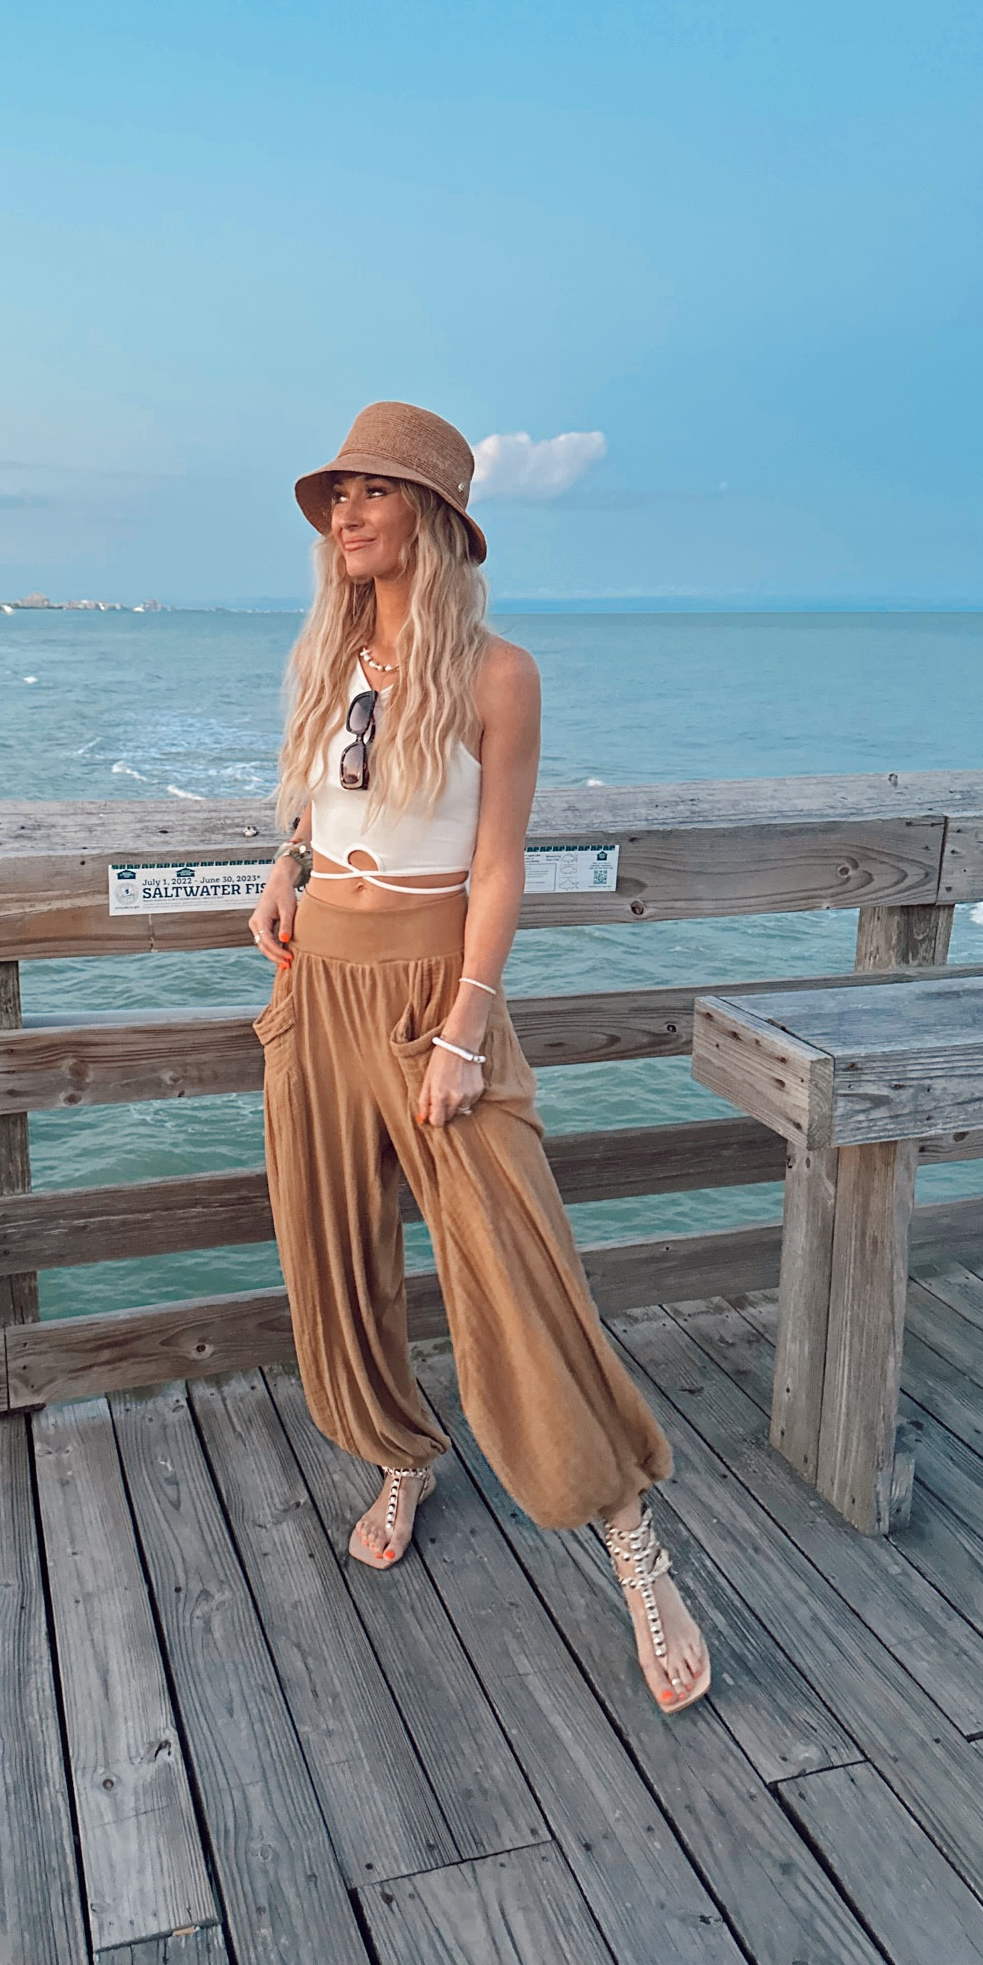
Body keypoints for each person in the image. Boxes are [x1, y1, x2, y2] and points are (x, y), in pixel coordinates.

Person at [248, 402, 709, 1713]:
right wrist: (285, 865)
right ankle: (400, 1453)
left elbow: (497, 869)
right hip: (318, 982)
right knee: (330, 1250)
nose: (345, 515)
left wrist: (464, 1026)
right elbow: (317, 790)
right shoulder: (330, 646)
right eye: (337, 494)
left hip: (429, 997)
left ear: (435, 520)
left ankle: (629, 1535)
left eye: (372, 495)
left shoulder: (502, 676)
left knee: (514, 1264)